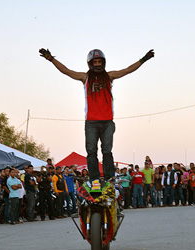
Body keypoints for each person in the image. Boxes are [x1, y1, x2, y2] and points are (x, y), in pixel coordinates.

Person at [39, 47, 155, 184]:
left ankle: (109, 177)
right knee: (91, 151)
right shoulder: (85, 78)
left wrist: (143, 60)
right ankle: (94, 179)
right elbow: (66, 71)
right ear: (90, 64)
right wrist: (51, 59)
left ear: (103, 63)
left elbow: (128, 70)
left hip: (107, 122)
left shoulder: (109, 76)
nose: (98, 64)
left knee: (107, 151)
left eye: (100, 62)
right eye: (95, 62)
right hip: (91, 122)